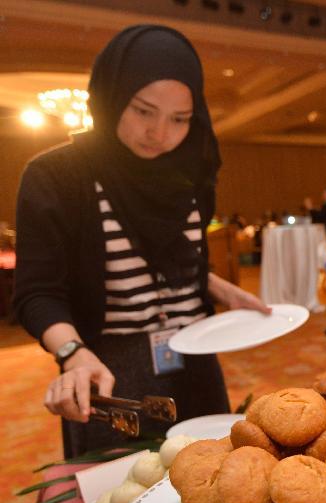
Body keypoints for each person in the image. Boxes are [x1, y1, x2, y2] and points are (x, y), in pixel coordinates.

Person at [13, 25, 269, 458]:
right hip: (109, 368)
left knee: (213, 483)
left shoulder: (191, 171)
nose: (160, 133)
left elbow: (171, 255)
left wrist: (216, 286)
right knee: (123, 500)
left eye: (179, 119)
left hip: (195, 357)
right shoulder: (58, 176)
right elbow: (38, 292)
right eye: (143, 111)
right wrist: (74, 352)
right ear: (112, 97)